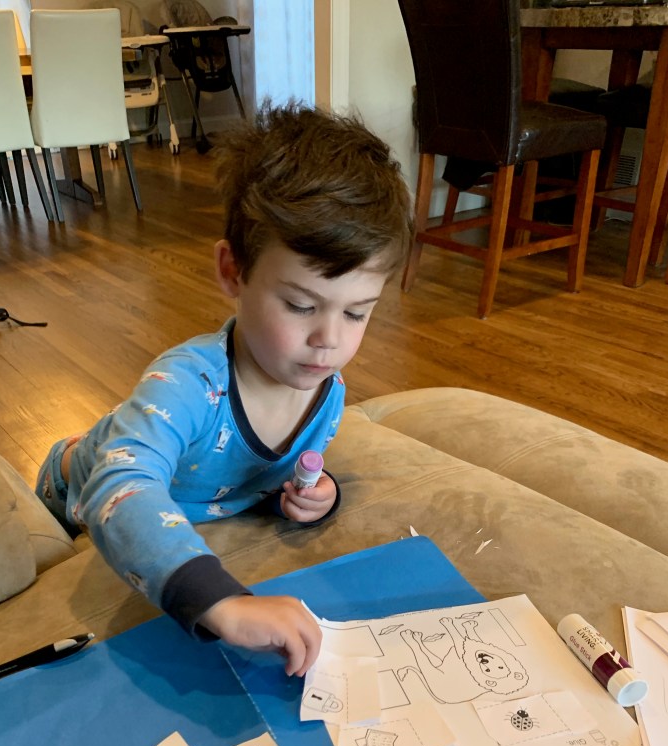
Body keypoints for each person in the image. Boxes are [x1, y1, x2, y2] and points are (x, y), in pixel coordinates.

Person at [35, 102, 413, 676]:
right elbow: (120, 484)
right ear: (233, 271)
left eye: (358, 313)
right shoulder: (187, 383)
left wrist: (308, 493)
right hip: (75, 480)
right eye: (301, 305)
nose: (329, 341)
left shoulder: (327, 388)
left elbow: (269, 473)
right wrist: (220, 602)